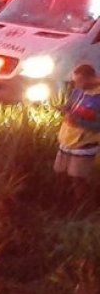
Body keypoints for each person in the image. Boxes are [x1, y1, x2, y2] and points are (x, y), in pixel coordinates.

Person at [54, 63, 100, 208]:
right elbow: (71, 106)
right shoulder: (78, 91)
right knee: (60, 174)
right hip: (67, 141)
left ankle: (81, 208)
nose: (77, 85)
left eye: (80, 81)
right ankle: (61, 205)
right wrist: (65, 108)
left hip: (84, 145)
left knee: (78, 179)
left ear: (91, 78)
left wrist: (78, 121)